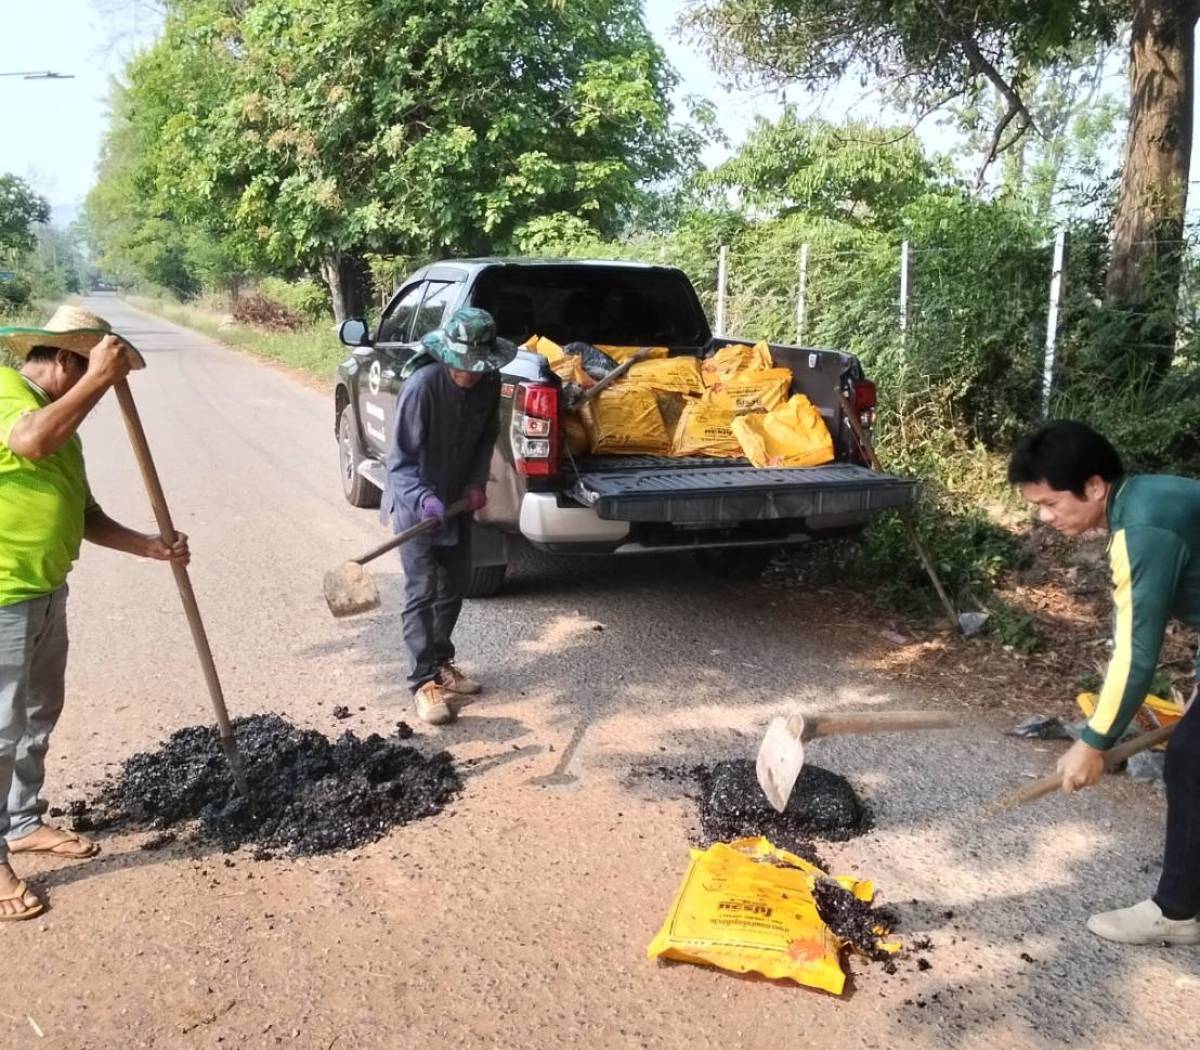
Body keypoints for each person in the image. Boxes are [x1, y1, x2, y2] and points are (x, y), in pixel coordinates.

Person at [0, 305, 190, 922]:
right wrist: (99, 380)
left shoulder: (65, 430)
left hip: (45, 589)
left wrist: (149, 546)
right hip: (3, 594)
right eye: (92, 377)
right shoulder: (7, 393)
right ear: (65, 360)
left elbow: (84, 514)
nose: (98, 397)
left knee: (36, 713)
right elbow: (29, 441)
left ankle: (22, 822)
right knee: (0, 730)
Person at [1009, 420, 1200, 945]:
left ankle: (1176, 913)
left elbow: (1136, 654)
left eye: (1051, 503)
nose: (1046, 518)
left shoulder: (1143, 530)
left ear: (1093, 486)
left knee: (1190, 760)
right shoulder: (1147, 501)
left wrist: (1093, 742)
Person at [382, 307, 513, 726]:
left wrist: (475, 483)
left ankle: (441, 663)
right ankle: (423, 682)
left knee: (454, 585)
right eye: (461, 365)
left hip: (457, 500)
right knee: (421, 592)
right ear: (446, 356)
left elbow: (485, 439)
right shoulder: (422, 387)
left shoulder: (488, 382)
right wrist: (423, 498)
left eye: (476, 366)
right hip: (416, 506)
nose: (468, 374)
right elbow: (399, 462)